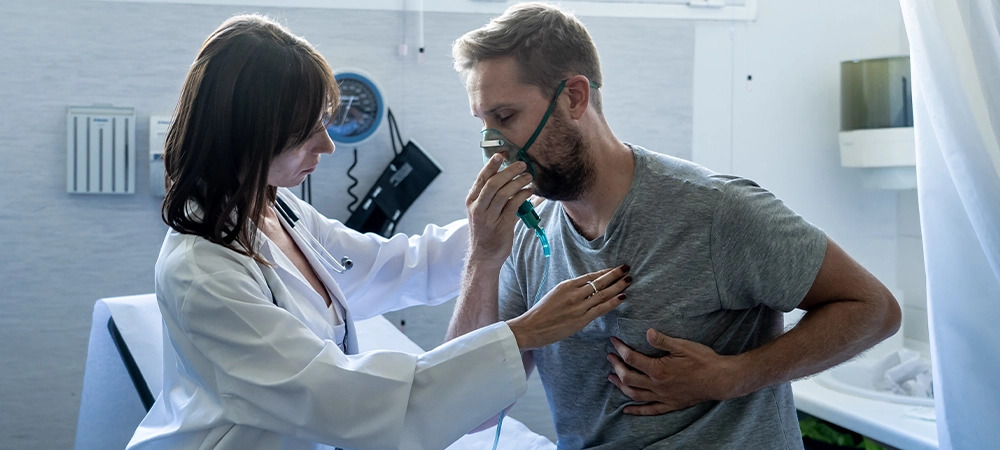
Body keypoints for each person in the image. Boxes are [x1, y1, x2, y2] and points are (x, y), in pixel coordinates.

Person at [128, 14, 631, 450]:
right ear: (249, 134)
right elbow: (343, 400)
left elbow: (401, 265)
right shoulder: (201, 273)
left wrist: (506, 218)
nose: (327, 148)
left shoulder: (281, 213)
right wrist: (526, 331)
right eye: (308, 133)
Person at [447, 3, 902, 449]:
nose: (495, 149)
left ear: (574, 97)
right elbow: (469, 412)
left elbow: (874, 308)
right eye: (483, 124)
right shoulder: (527, 237)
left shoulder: (714, 213)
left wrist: (734, 376)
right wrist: (482, 261)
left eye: (505, 118)